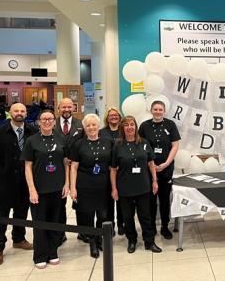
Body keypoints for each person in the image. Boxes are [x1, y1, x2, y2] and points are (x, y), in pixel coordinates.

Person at [0, 103, 36, 266]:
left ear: (26, 113)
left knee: (21, 213)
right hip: (4, 183)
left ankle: (19, 239)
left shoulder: (32, 131)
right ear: (10, 113)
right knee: (0, 216)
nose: (19, 113)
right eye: (16, 111)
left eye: (22, 111)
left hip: (24, 182)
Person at [23, 110, 68, 268]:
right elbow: (28, 167)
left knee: (55, 222)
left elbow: (66, 163)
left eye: (50, 119)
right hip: (39, 190)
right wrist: (32, 189)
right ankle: (40, 255)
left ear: (54, 122)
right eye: (44, 119)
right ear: (39, 122)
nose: (47, 122)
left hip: (57, 188)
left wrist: (66, 183)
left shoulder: (61, 139)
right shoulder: (31, 141)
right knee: (40, 223)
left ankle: (53, 252)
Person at [111, 116, 162, 253]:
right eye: (126, 125)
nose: (129, 127)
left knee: (145, 216)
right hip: (125, 187)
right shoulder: (118, 145)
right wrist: (114, 188)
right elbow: (113, 169)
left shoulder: (144, 143)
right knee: (128, 217)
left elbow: (151, 163)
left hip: (143, 186)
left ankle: (149, 242)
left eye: (132, 124)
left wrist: (155, 181)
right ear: (123, 128)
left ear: (136, 127)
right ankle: (132, 240)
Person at [69, 114, 113, 258]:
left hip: (103, 185)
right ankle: (92, 242)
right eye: (88, 125)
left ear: (98, 126)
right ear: (84, 128)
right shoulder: (78, 144)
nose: (91, 128)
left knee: (103, 215)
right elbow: (73, 167)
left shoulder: (108, 142)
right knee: (87, 216)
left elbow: (113, 166)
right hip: (85, 185)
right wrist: (73, 188)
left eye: (94, 125)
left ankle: (100, 238)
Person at [138, 101, 180, 240]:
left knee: (164, 199)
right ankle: (151, 227)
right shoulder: (144, 126)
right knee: (150, 200)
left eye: (160, 109)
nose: (157, 111)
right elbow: (140, 146)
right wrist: (151, 165)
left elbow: (175, 146)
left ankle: (164, 227)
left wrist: (166, 163)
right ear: (151, 110)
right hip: (148, 169)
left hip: (166, 169)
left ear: (164, 111)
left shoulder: (170, 125)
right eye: (155, 109)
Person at [54, 98, 83, 244]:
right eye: (63, 107)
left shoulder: (81, 124)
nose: (66, 109)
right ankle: (60, 234)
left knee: (80, 201)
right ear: (58, 108)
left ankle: (83, 232)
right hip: (57, 170)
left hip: (78, 169)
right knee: (60, 203)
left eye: (69, 107)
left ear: (74, 108)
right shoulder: (52, 124)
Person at [100, 107, 124, 236]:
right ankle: (110, 226)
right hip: (106, 171)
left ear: (120, 117)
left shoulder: (124, 131)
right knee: (108, 201)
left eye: (116, 115)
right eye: (111, 115)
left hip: (123, 172)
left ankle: (121, 224)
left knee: (122, 200)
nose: (114, 117)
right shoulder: (102, 132)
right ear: (107, 118)